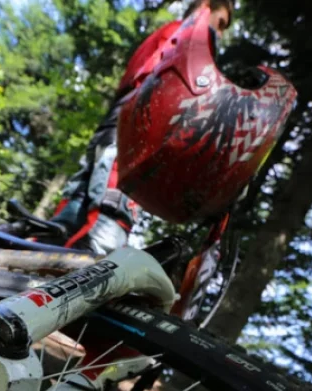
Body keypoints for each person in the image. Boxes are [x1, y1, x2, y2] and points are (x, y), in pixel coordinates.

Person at [50, 0, 234, 256]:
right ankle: (99, 245)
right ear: (205, 6)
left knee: (85, 185)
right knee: (118, 175)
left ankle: (52, 239)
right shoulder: (194, 34)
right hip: (146, 109)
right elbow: (191, 81)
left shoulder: (165, 31)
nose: (220, 33)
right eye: (221, 23)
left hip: (122, 108)